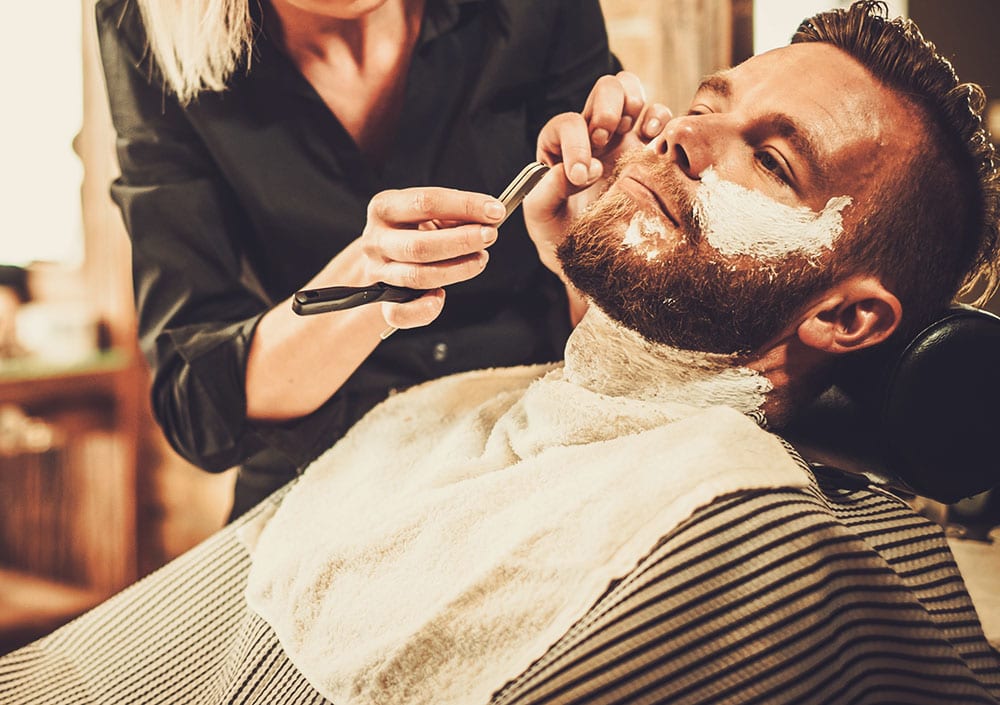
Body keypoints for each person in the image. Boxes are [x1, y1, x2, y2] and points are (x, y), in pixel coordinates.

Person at [4, 2, 999, 703]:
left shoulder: (749, 535)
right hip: (369, 456)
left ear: (853, 320)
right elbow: (194, 396)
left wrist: (576, 247)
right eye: (701, 107)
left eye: (772, 159)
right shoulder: (148, 30)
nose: (681, 140)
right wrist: (365, 289)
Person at [96, 0, 653, 518]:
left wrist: (599, 245)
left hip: (536, 433)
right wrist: (371, 281)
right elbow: (199, 408)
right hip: (321, 479)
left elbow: (613, 344)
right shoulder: (146, 25)